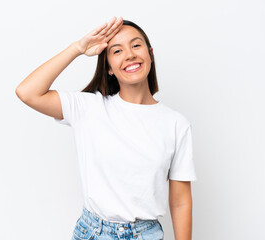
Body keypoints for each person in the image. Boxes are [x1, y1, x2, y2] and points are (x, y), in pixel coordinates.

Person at [16, 16, 197, 240]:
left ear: (150, 53)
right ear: (109, 68)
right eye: (117, 51)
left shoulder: (176, 124)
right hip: (91, 232)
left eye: (136, 45)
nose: (130, 54)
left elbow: (180, 202)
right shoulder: (90, 107)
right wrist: (77, 48)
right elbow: (28, 92)